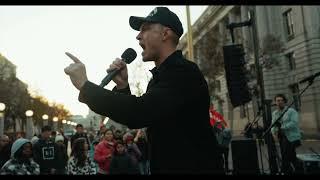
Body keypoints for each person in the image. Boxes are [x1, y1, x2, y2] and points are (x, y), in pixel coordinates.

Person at [64, 6, 223, 174]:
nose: (138, 36)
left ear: (165, 34)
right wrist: (123, 86)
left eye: (145, 29)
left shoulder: (183, 72)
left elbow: (139, 112)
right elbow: (145, 114)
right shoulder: (160, 78)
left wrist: (85, 86)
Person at [271, 94, 302, 174]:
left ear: (284, 101)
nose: (280, 102)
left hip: (292, 137)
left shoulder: (291, 111)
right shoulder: (275, 113)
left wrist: (282, 127)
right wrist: (273, 133)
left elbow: (294, 123)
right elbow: (273, 124)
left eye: (281, 100)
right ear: (275, 102)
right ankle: (296, 170)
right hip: (282, 137)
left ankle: (286, 171)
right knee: (289, 156)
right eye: (278, 100)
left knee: (287, 156)